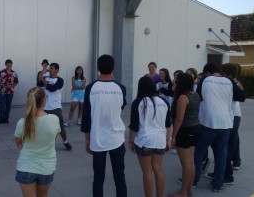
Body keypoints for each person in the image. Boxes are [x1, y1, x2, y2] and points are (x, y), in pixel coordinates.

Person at [193, 63, 245, 192]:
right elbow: (241, 97)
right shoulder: (229, 81)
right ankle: (217, 185)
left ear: (208, 72)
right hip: (225, 124)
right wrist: (240, 88)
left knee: (198, 153)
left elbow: (198, 97)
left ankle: (193, 181)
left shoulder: (205, 80)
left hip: (208, 123)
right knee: (221, 154)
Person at [81, 54, 127, 197]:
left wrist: (87, 139)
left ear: (98, 68)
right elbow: (121, 107)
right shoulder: (121, 88)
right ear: (114, 67)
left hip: (97, 138)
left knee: (98, 178)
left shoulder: (90, 88)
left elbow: (86, 115)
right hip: (117, 139)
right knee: (120, 176)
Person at [14, 87, 60, 197]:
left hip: (26, 166)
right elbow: (53, 139)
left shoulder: (22, 122)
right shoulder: (54, 119)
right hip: (47, 167)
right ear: (44, 100)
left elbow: (19, 144)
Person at [129, 76, 171, 197]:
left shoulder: (138, 103)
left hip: (144, 141)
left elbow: (134, 126)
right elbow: (168, 125)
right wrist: (167, 140)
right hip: (160, 141)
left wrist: (131, 141)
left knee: (147, 172)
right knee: (158, 169)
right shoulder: (164, 102)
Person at [169, 73, 201, 197]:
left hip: (185, 131)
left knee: (186, 163)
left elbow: (179, 119)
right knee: (190, 162)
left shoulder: (183, 97)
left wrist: (173, 136)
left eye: (176, 81)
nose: (174, 83)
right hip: (195, 128)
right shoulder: (196, 95)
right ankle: (188, 191)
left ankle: (183, 192)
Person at [39, 62, 72, 150]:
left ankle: (65, 141)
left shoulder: (60, 80)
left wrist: (43, 80)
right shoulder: (46, 78)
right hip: (45, 108)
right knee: (45, 127)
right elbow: (39, 84)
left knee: (60, 127)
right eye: (49, 68)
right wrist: (42, 72)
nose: (50, 69)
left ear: (56, 70)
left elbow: (52, 89)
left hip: (55, 107)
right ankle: (46, 143)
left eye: (52, 68)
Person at [0, 59, 19, 124]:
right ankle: (1, 118)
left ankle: (6, 118)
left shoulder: (14, 73)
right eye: (8, 65)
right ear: (6, 65)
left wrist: (12, 86)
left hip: (11, 92)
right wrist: (4, 86)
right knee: (2, 105)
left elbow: (16, 82)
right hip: (3, 92)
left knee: (8, 106)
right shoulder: (1, 72)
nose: (9, 66)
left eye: (10, 65)